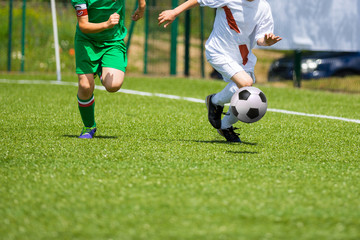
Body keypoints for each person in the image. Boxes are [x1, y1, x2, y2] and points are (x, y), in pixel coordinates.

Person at [158, 0, 282, 142]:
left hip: (243, 58)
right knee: (246, 83)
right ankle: (215, 101)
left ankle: (224, 124)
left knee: (242, 88)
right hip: (218, 52)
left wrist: (267, 41)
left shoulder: (263, 7)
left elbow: (261, 38)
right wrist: (174, 12)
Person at [71, 0, 146, 138]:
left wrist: (142, 7)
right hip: (87, 41)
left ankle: (100, 69)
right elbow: (83, 25)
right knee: (85, 86)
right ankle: (89, 126)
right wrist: (106, 24)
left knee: (113, 85)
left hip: (113, 40)